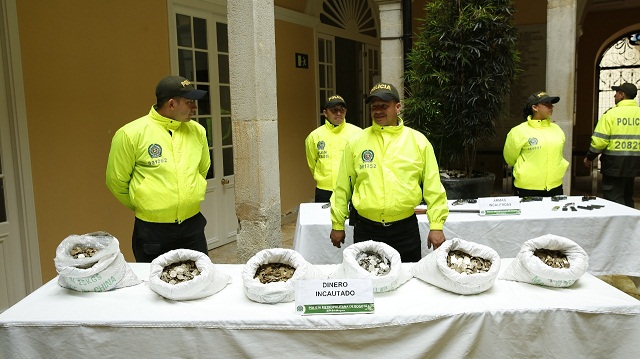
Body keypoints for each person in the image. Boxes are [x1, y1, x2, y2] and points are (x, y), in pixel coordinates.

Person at [329, 82, 449, 262]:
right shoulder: (356, 142)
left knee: (408, 282)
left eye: (384, 106)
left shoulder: (418, 142)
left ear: (398, 107)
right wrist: (338, 223)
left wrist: (437, 225)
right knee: (368, 282)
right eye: (374, 106)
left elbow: (433, 186)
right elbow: (342, 186)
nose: (378, 111)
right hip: (366, 228)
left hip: (405, 230)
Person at [106, 75, 211, 262]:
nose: (194, 107)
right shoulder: (130, 134)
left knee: (200, 281)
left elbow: (202, 170)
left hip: (192, 226)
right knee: (153, 285)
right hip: (153, 230)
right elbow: (116, 181)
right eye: (189, 102)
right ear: (171, 104)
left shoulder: (198, 131)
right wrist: (146, 203)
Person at [584, 82, 640, 207]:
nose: (615, 96)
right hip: (634, 163)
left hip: (614, 164)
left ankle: (618, 225)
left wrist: (589, 157)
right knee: (628, 196)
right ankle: (630, 225)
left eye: (616, 93)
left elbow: (599, 141)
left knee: (614, 199)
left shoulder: (611, 114)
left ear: (622, 95)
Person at [503, 91, 569, 197]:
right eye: (546, 104)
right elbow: (510, 158)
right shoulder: (518, 131)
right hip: (527, 188)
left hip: (554, 186)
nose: (551, 107)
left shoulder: (557, 129)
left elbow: (558, 154)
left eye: (551, 104)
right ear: (535, 108)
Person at [305, 95, 362, 202]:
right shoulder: (314, 136)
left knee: (350, 219)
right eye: (333, 110)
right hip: (324, 190)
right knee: (323, 219)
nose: (338, 113)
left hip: (350, 189)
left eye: (342, 110)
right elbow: (312, 164)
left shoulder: (358, 133)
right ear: (325, 113)